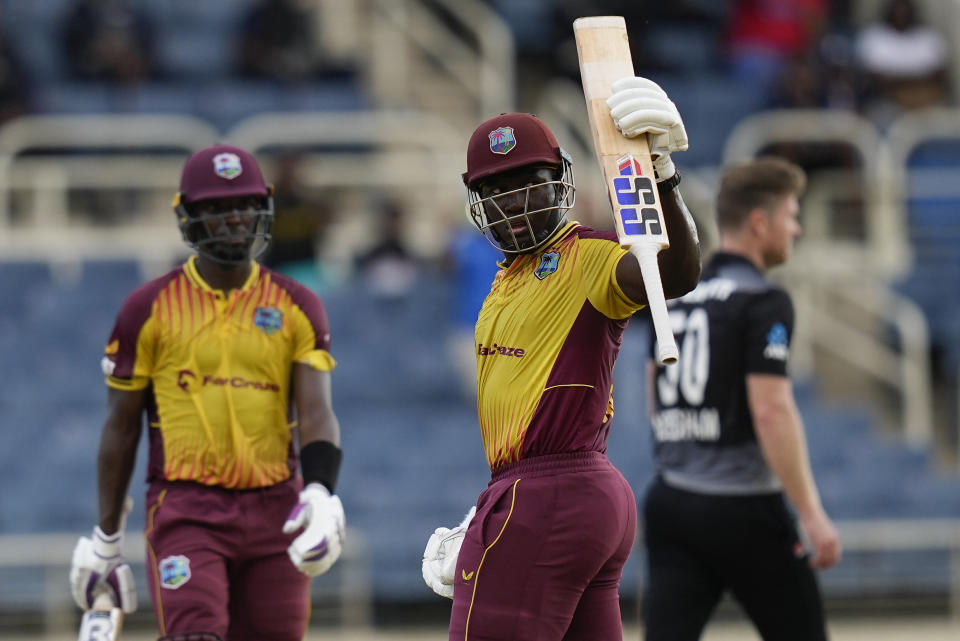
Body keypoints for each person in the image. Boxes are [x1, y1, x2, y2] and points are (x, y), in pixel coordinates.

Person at [422, 77, 702, 640]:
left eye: (530, 182)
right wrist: (497, 508)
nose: (514, 202)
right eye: (497, 190)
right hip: (556, 498)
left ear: (560, 183)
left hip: (551, 493)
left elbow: (673, 272)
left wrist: (662, 178)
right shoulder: (504, 276)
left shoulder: (590, 257)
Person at [68, 144, 346, 641]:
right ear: (189, 216)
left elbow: (316, 411)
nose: (233, 219)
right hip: (186, 508)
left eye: (242, 206)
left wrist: (321, 490)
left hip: (276, 510)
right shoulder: (147, 308)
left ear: (263, 209)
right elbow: (121, 426)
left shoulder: (298, 305)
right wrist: (107, 537)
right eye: (216, 209)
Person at [640, 157, 842, 641]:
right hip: (744, 508)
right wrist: (811, 514)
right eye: (791, 214)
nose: (795, 228)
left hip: (671, 502)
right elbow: (771, 410)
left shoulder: (676, 295)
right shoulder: (764, 300)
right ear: (759, 222)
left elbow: (653, 385)